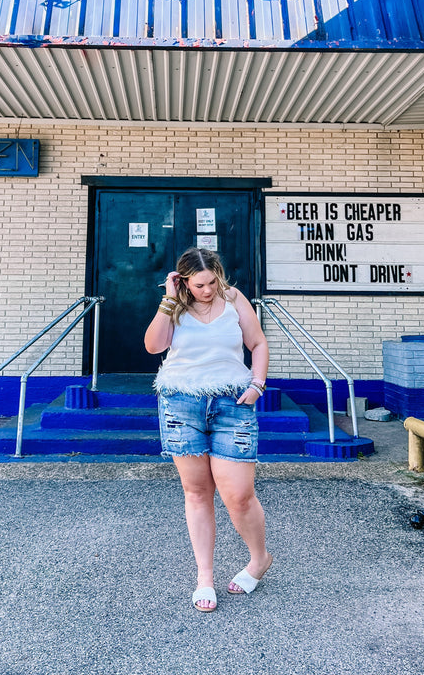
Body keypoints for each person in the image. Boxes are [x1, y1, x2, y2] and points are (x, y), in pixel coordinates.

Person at [144, 247, 272, 613]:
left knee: (238, 495)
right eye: (199, 285)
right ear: (183, 281)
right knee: (197, 493)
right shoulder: (175, 306)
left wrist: (258, 383)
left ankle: (259, 558)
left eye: (213, 281)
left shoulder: (233, 298)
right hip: (181, 403)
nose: (208, 290)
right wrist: (169, 301)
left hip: (233, 402)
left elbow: (257, 343)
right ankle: (205, 577)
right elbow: (154, 346)